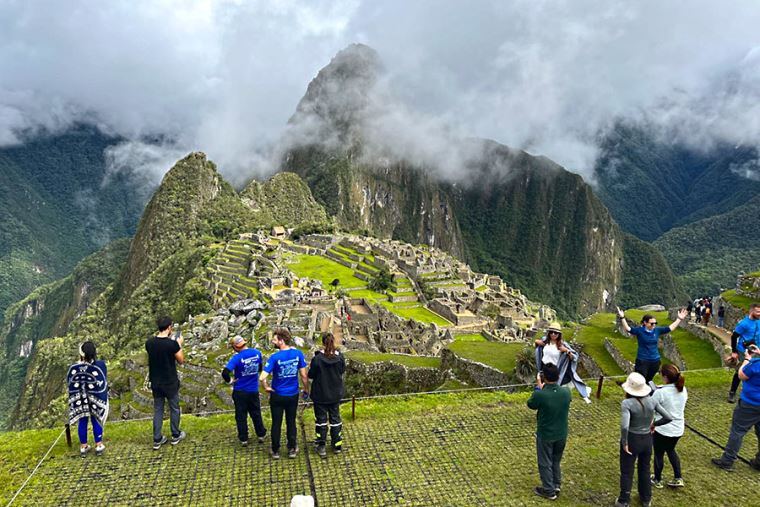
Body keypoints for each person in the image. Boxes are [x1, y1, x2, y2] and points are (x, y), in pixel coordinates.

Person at [616, 372, 673, 507]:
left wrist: (625, 442)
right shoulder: (652, 400)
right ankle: (646, 498)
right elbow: (668, 417)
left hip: (632, 438)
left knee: (627, 471)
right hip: (647, 438)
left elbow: (625, 426)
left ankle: (624, 500)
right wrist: (654, 424)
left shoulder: (627, 403)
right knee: (645, 469)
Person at [260, 328, 308, 459]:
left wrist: (266, 387)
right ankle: (292, 448)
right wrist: (306, 389)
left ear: (281, 341)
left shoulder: (274, 357)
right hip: (292, 394)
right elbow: (304, 375)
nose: (272, 341)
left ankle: (275, 450)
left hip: (277, 394)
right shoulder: (298, 354)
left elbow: (262, 376)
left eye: (275, 339)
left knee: (276, 422)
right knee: (291, 421)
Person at [713, 342, 760, 471]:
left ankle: (727, 460)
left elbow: (741, 375)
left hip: (750, 403)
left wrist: (747, 359)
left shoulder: (755, 365)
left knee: (738, 431)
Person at [527, 363, 570, 501]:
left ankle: (549, 490)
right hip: (561, 433)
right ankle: (556, 484)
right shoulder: (566, 392)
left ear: (543, 377)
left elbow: (531, 404)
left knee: (545, 462)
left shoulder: (541, 394)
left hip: (546, 434)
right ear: (558, 376)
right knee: (555, 460)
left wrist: (539, 387)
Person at [146, 316, 186, 450]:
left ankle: (157, 438)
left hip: (156, 382)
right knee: (174, 407)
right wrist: (179, 344)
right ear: (169, 328)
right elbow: (181, 360)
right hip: (170, 381)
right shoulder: (171, 344)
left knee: (158, 409)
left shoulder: (149, 343)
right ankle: (176, 434)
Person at [616, 307, 688, 383]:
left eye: (655, 323)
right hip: (642, 360)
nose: (654, 325)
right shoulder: (639, 331)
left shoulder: (657, 330)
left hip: (655, 361)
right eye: (652, 323)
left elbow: (670, 328)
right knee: (640, 380)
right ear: (645, 323)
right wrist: (622, 317)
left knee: (649, 380)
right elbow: (628, 329)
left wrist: (679, 319)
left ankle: (646, 393)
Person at [222, 335, 266, 447]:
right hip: (253, 389)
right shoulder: (257, 353)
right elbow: (260, 368)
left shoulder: (236, 358)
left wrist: (230, 381)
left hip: (240, 390)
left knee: (241, 415)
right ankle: (261, 434)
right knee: (256, 412)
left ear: (236, 347)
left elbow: (225, 373)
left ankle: (244, 438)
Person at [67, 341, 109, 457]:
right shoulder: (100, 365)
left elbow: (71, 383)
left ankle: (83, 446)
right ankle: (99, 444)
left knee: (83, 420)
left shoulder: (74, 368)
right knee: (96, 419)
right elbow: (103, 381)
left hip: (81, 399)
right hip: (95, 398)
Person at [308, 332, 346, 457]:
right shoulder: (339, 358)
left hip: (320, 394)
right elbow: (342, 370)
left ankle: (321, 445)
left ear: (323, 343)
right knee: (335, 419)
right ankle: (337, 445)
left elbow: (311, 374)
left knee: (321, 420)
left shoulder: (317, 359)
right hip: (335, 394)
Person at [534, 323, 592, 403]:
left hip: (555, 370)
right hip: (544, 368)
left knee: (551, 388)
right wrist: (538, 342)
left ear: (559, 334)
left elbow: (575, 357)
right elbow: (537, 343)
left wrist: (566, 351)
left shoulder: (562, 344)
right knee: (544, 387)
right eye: (551, 332)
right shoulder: (545, 341)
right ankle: (545, 402)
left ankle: (553, 402)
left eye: (556, 333)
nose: (553, 334)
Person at [650, 364, 687, 488]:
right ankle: (678, 477)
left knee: (658, 453)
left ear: (665, 377)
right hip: (678, 429)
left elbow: (651, 408)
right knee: (671, 450)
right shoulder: (682, 389)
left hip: (662, 429)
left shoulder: (660, 393)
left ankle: (657, 479)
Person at [728, 303, 760, 403]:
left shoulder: (758, 321)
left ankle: (749, 392)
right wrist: (734, 351)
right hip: (744, 351)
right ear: (751, 311)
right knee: (740, 371)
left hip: (757, 350)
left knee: (754, 371)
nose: (759, 313)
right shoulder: (744, 323)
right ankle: (732, 392)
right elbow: (734, 336)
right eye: (758, 311)